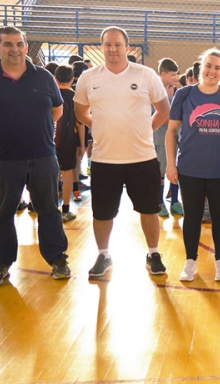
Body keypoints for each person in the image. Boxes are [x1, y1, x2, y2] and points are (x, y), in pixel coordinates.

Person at [0, 26, 70, 286]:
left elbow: (57, 110)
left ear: (25, 46)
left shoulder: (43, 77)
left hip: (43, 157)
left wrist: (39, 133)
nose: (15, 49)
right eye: (9, 44)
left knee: (49, 211)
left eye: (20, 44)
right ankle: (0, 263)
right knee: (2, 213)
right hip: (2, 160)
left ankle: (57, 258)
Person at [74, 26, 171, 277]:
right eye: (107, 44)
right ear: (102, 47)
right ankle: (103, 255)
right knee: (103, 212)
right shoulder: (89, 77)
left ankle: (153, 253)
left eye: (118, 44)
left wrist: (148, 128)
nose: (113, 49)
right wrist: (101, 126)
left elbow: (163, 109)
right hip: (105, 159)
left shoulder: (146, 75)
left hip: (143, 158)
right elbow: (80, 112)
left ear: (127, 47)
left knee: (149, 209)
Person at [166, 48, 220, 282]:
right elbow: (171, 131)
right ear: (201, 66)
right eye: (208, 65)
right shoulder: (184, 94)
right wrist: (171, 164)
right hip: (191, 167)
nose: (212, 71)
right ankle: (190, 261)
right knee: (192, 215)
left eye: (217, 67)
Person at [53, 65, 85, 222]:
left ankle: (49, 208)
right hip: (67, 140)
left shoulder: (50, 95)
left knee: (50, 174)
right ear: (72, 79)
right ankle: (66, 209)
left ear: (55, 77)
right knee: (67, 173)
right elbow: (80, 123)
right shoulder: (75, 98)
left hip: (48, 140)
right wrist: (82, 145)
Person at [155, 58, 183, 217]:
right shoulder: (156, 92)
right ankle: (159, 202)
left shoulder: (176, 91)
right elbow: (163, 118)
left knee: (176, 170)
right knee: (160, 171)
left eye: (177, 75)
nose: (175, 78)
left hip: (176, 138)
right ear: (163, 74)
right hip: (160, 139)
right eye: (172, 75)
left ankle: (174, 201)